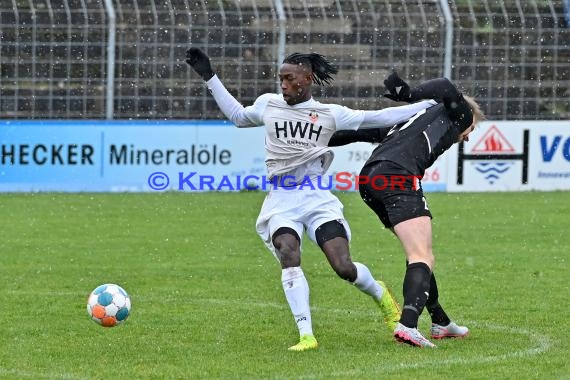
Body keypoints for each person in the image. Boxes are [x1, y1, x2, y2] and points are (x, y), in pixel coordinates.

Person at [185, 48, 437, 351]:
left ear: (307, 79)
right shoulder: (268, 105)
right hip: (281, 200)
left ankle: (381, 294)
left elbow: (378, 117)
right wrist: (209, 76)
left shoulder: (330, 114)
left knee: (343, 266)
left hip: (317, 199)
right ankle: (306, 335)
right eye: (280, 79)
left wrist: (427, 105)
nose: (283, 84)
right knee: (288, 252)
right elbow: (239, 116)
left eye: (289, 78)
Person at [329, 72, 485, 348]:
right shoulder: (460, 115)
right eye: (471, 130)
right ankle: (408, 325)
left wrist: (310, 139)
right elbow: (446, 86)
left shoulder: (405, 123)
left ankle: (441, 321)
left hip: (370, 180)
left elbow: (356, 133)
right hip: (397, 177)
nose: (468, 136)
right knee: (421, 255)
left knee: (418, 254)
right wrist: (410, 94)